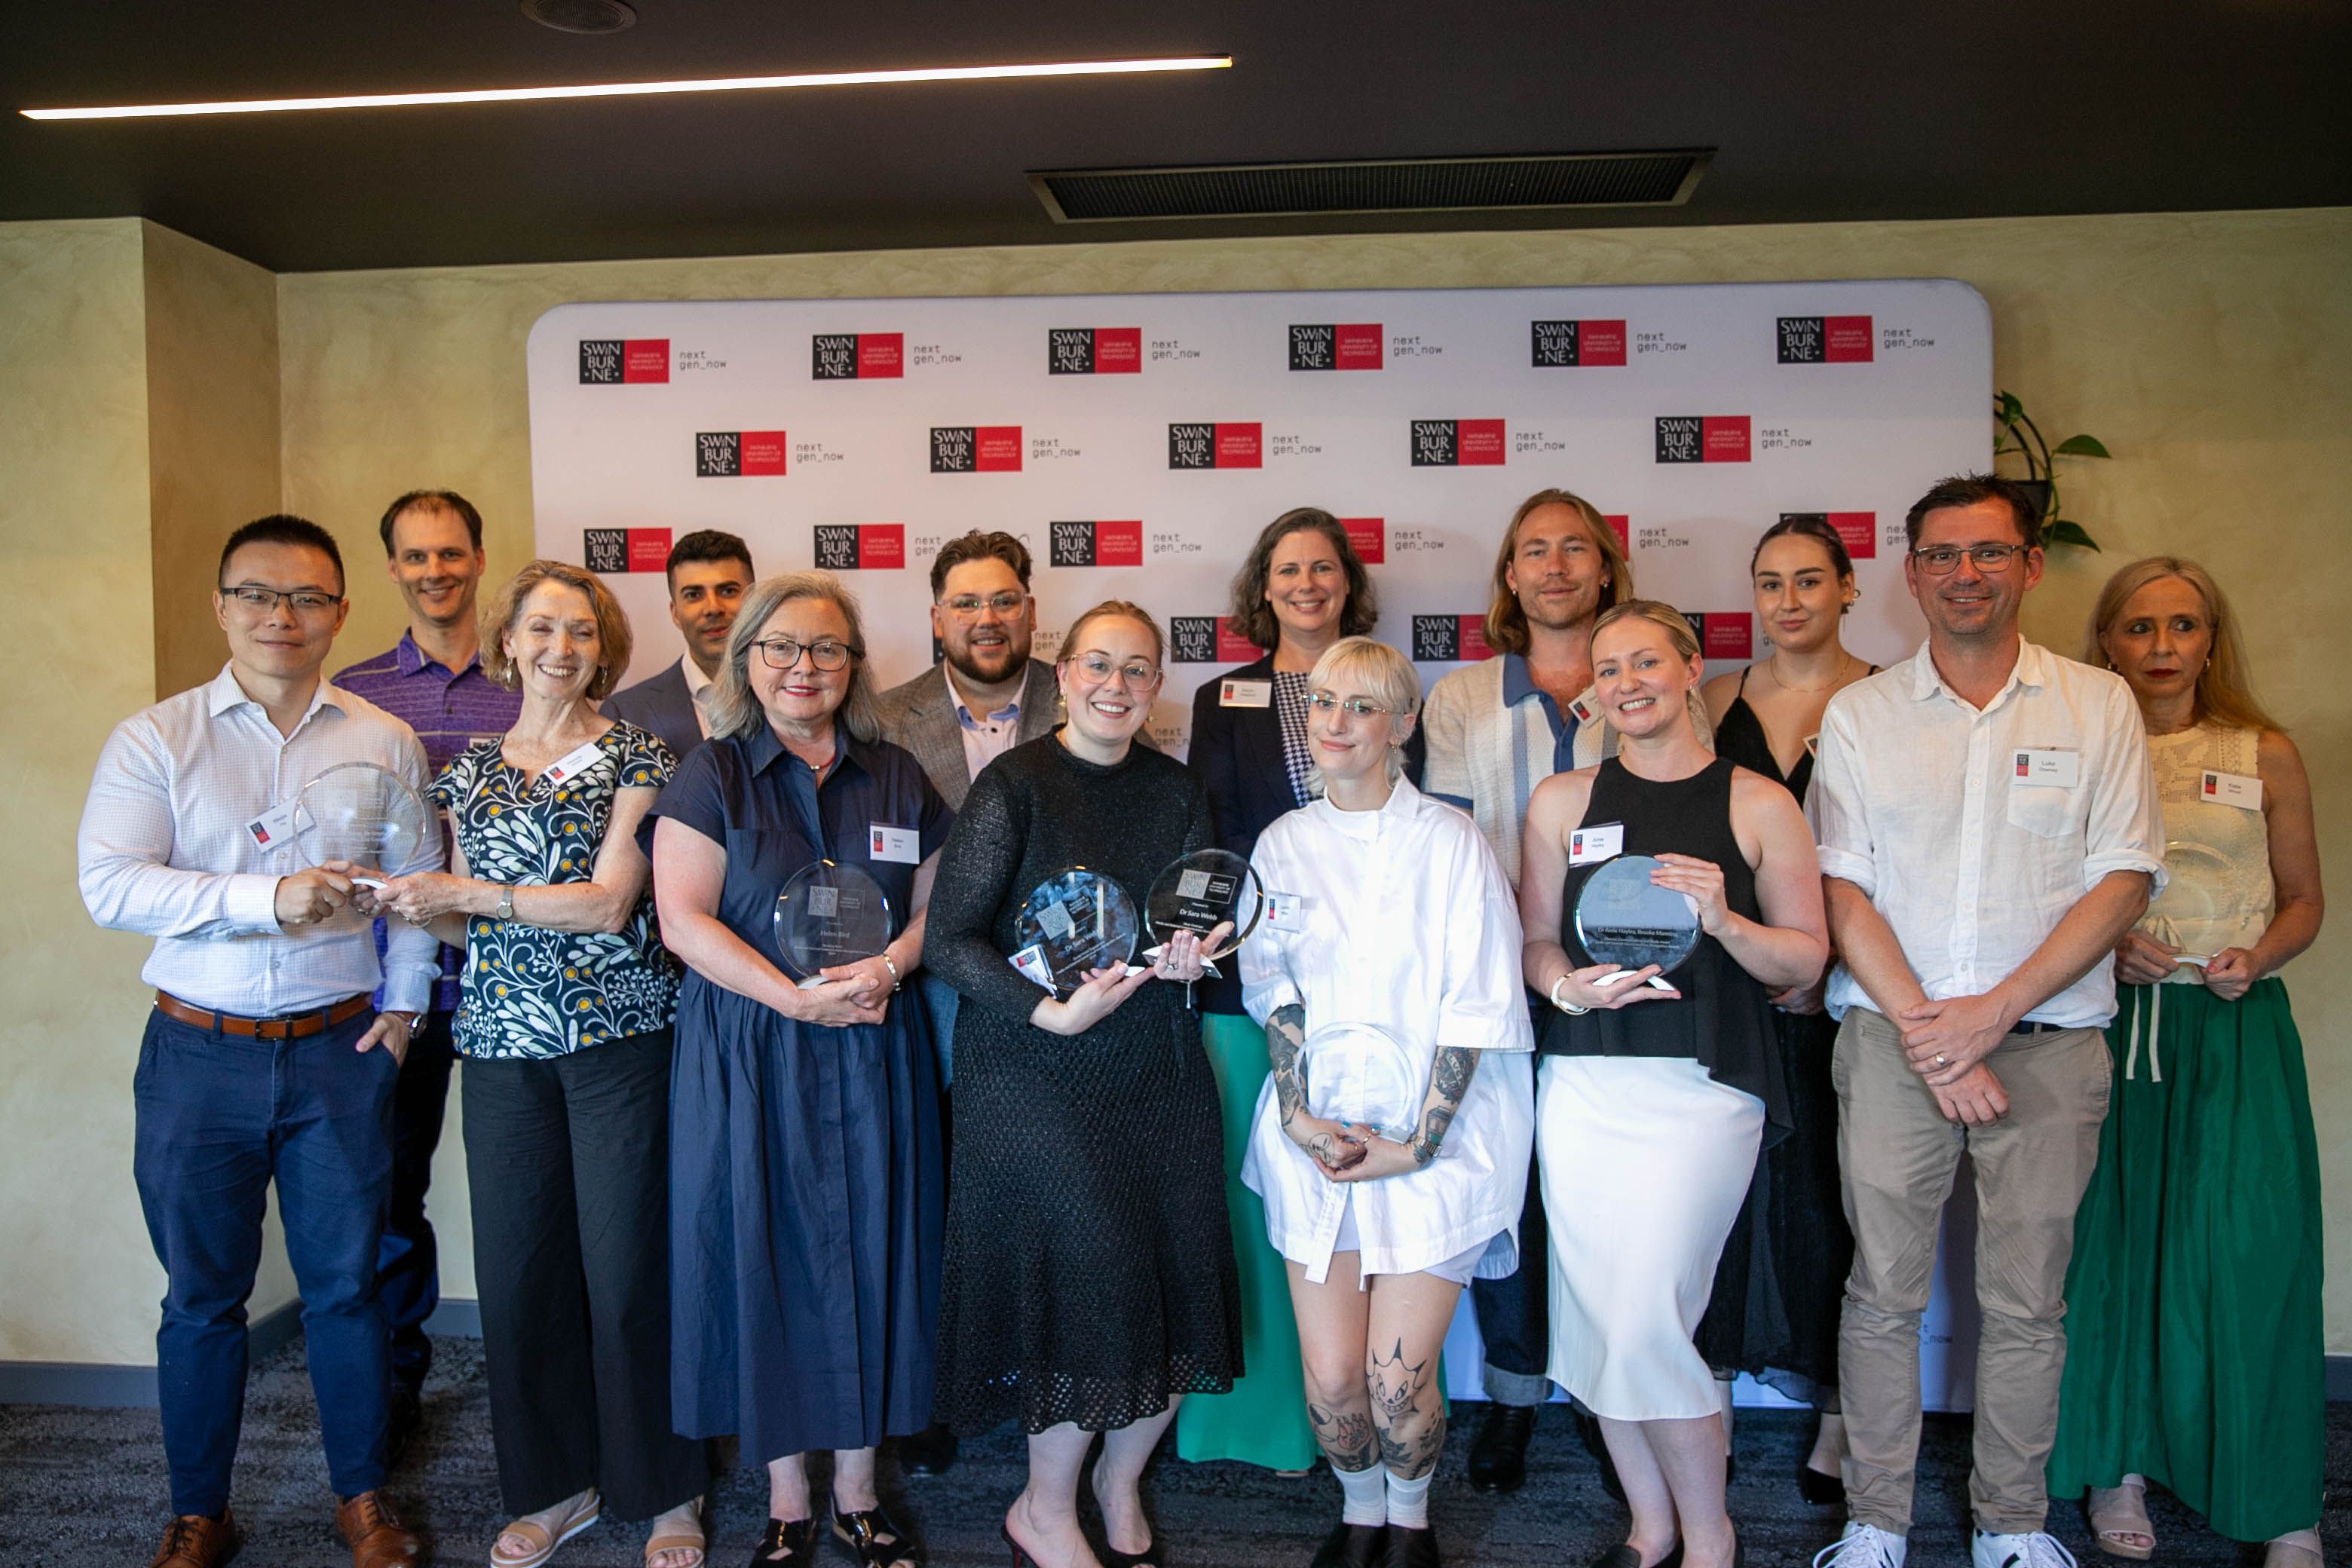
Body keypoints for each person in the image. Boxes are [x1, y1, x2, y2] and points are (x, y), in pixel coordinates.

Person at [1807, 475, 2163, 1568]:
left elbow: (2124, 880)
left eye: (1990, 553)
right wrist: (1930, 1031)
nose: (1967, 574)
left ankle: (2011, 1526)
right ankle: (1876, 1523)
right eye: (1944, 555)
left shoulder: (2097, 705)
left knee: (2027, 1306)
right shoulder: (1861, 714)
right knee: (1881, 1296)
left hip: (2049, 1050)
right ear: (1911, 573)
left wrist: (1993, 1014)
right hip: (1891, 1046)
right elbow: (1842, 890)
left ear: (2030, 565)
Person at [77, 515, 438, 1568]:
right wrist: (267, 896)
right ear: (222, 604)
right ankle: (200, 1511)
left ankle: (362, 1498)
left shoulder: (384, 739)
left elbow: (414, 894)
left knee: (345, 1286)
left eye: (308, 598)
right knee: (201, 1297)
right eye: (258, 595)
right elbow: (112, 884)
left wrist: (405, 1007)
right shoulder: (156, 738)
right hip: (199, 1057)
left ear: (340, 611)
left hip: (341, 1053)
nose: (282, 617)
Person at [362, 560, 706, 1568]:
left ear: (606, 648)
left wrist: (477, 901)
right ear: (508, 642)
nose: (563, 648)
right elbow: (455, 922)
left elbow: (608, 903)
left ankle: (668, 1488)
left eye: (583, 632)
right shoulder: (465, 769)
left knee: (630, 1270)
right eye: (543, 629)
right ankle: (558, 1485)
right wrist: (442, 905)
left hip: (619, 1046)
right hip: (502, 1049)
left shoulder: (641, 753)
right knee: (521, 1277)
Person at [924, 601, 1241, 1568]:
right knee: (1095, 1288)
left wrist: (1196, 957)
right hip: (1036, 1075)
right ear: (1063, 676)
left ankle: (1119, 1479)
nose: (1115, 684)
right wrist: (1045, 1014)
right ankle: (1044, 1509)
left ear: (1157, 685)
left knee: (1180, 1277)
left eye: (1137, 669)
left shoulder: (1179, 790)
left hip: (1153, 1065)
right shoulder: (1013, 787)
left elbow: (1190, 921)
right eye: (1097, 664)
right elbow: (948, 943)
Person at [650, 572, 953, 1568]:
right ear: (746, 660)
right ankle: (786, 1500)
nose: (804, 667)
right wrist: (789, 998)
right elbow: (681, 919)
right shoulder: (712, 775)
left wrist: (889, 967)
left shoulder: (899, 775)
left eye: (826, 649)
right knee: (761, 1258)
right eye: (780, 647)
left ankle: (859, 1497)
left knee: (873, 1252)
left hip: (871, 1047)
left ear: (853, 665)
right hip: (752, 1053)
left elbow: (934, 914)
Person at [1521, 601, 1827, 1568]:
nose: (1626, 684)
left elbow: (1805, 962)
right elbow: (1533, 941)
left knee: (1648, 1311)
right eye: (1608, 671)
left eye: (1646, 661)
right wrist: (1564, 985)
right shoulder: (1561, 802)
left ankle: (1711, 1537)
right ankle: (1649, 1527)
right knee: (1593, 1317)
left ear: (1692, 667)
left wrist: (1726, 919)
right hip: (1584, 1085)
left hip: (1703, 1086)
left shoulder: (1757, 802)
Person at [2046, 558, 2326, 1568]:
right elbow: (2045, 888)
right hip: (2107, 1024)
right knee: (2110, 1250)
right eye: (2138, 628)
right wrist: (2108, 944)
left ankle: (2278, 1495)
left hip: (2232, 1028)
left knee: (2250, 1257)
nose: (2162, 648)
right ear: (2108, 641)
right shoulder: (2079, 749)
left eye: (2184, 626)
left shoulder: (2266, 751)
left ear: (2213, 638)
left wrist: (2266, 954)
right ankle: (2114, 1466)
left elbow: (2304, 898)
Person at [1241, 635, 1535, 1568]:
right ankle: (1359, 1510)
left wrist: (1418, 1142)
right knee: (1332, 1381)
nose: (1337, 723)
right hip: (1316, 1137)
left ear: (1403, 724)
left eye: (1362, 706)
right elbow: (1273, 988)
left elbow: (1481, 1003)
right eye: (1325, 703)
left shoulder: (1451, 842)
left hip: (1431, 1146)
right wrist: (1296, 1116)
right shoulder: (1282, 843)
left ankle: (1409, 1522)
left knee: (1395, 1384)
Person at [1181, 508, 1418, 1475]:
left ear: (1348, 582)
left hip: (1374, 999)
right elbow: (1210, 839)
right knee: (1263, 1207)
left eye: (1324, 568)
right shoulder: (1223, 695)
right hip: (1254, 991)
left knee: (1357, 1202)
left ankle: (1362, 1417)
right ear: (1263, 586)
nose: (1307, 584)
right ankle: (1274, 1423)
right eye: (1288, 570)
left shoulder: (1387, 688)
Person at [1418, 487, 1639, 1494]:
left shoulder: (1638, 681)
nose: (1554, 567)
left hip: (1622, 986)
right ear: (1510, 576)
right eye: (1533, 552)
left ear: (1605, 568)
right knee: (1508, 1194)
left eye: (1574, 550)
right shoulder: (1464, 697)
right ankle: (1511, 1394)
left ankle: (1605, 1394)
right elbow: (1454, 849)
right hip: (1496, 986)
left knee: (1603, 1199)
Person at [870, 528, 1065, 1478]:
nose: (987, 620)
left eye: (1004, 601)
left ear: (1031, 608)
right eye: (967, 604)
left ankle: (1046, 1383)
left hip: (1058, 1002)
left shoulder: (1092, 694)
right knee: (936, 1199)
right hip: (933, 999)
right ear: (937, 616)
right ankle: (936, 1392)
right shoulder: (884, 716)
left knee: (1043, 1192)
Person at [331, 487, 520, 1452]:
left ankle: (539, 1385)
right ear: (394, 568)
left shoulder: (532, 682)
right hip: (391, 992)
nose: (435, 571)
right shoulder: (353, 697)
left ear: (480, 558)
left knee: (525, 1192)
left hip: (511, 984)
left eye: (451, 553)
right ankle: (397, 1383)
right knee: (389, 1193)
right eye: (416, 557)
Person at [1692, 517, 1876, 1501]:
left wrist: (1828, 966)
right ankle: (1708, 1393)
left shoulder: (1891, 700)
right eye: (1770, 583)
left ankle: (1842, 1420)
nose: (1789, 600)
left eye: (1811, 580)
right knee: (1720, 1204)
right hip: (1731, 984)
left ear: (1850, 587)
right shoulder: (1715, 696)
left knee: (1831, 1208)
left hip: (1847, 995)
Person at [602, 529, 755, 761]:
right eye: (694, 595)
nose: (713, 608)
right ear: (675, 613)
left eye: (727, 591)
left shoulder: (796, 696)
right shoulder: (625, 713)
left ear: (755, 601)